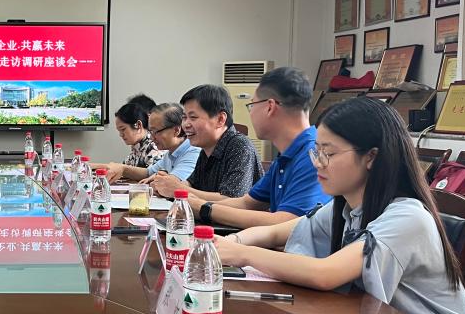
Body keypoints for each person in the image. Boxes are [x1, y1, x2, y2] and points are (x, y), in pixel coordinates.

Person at [214, 98, 465, 314]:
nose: (318, 163)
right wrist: (231, 242)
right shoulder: (345, 206)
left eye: (328, 153)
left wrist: (242, 254)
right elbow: (274, 233)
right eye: (316, 151)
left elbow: (325, 273)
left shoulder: (408, 217)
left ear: (371, 157)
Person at [185, 67, 330, 229]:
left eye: (252, 105)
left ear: (270, 107)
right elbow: (247, 203)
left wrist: (205, 209)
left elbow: (288, 222)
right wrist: (198, 204)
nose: (251, 113)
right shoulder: (287, 154)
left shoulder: (313, 154)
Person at [151, 84, 262, 200]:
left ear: (220, 119)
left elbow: (233, 200)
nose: (186, 125)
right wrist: (165, 186)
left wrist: (178, 189)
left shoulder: (240, 146)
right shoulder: (206, 149)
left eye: (193, 117)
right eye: (184, 118)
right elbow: (191, 184)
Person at [104, 103, 200, 183]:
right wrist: (123, 169)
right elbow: (148, 173)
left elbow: (173, 186)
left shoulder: (193, 152)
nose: (152, 137)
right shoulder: (170, 153)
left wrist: (159, 179)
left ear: (176, 130)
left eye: (156, 131)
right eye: (151, 131)